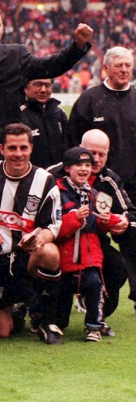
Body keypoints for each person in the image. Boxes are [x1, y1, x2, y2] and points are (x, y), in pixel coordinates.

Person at [0, 5, 92, 164]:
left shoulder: (16, 55)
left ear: (3, 29)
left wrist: (77, 46)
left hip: (4, 148)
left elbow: (51, 66)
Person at [66, 47, 136, 314]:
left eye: (128, 65)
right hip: (96, 185)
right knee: (94, 241)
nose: (124, 69)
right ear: (105, 68)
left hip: (132, 186)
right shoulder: (89, 99)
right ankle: (86, 293)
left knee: (132, 236)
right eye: (118, 65)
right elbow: (72, 144)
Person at [0, 123, 63, 345]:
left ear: (31, 148)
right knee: (3, 331)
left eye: (23, 148)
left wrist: (38, 240)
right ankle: (18, 311)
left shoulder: (44, 180)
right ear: (1, 149)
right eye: (12, 148)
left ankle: (46, 320)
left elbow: (52, 226)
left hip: (26, 259)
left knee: (50, 252)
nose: (18, 154)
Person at [47, 129, 132, 327]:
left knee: (117, 267)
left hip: (92, 241)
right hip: (56, 240)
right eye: (91, 153)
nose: (95, 159)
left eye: (102, 154)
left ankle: (98, 316)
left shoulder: (109, 180)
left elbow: (129, 212)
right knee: (44, 258)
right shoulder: (52, 174)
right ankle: (34, 309)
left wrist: (122, 221)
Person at [53, 147, 121, 342]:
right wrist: (75, 217)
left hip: (90, 257)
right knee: (61, 295)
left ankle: (94, 326)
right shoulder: (58, 191)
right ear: (67, 168)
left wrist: (109, 220)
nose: (84, 169)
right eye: (78, 165)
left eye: (87, 165)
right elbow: (56, 227)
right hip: (64, 258)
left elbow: (98, 223)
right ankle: (51, 321)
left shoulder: (94, 194)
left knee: (95, 286)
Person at [20, 78, 68, 168]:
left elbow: (69, 147)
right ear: (25, 88)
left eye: (47, 85)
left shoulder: (59, 114)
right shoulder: (18, 115)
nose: (43, 90)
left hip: (57, 177)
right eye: (37, 85)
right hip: (30, 177)